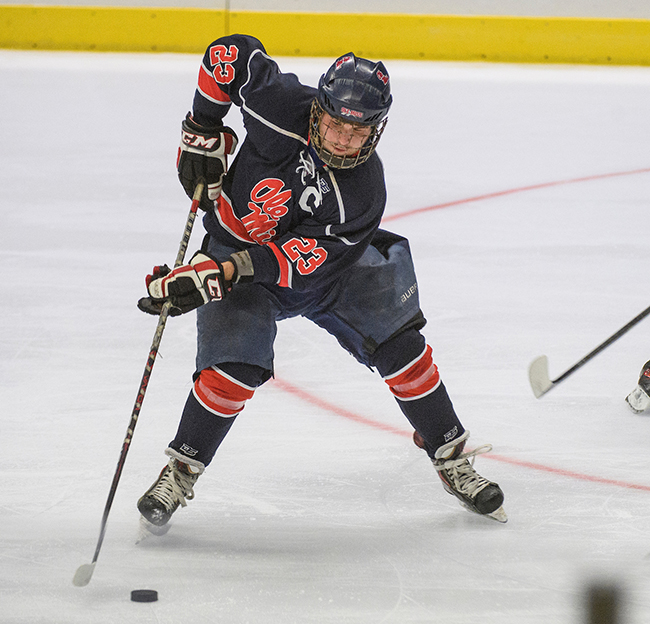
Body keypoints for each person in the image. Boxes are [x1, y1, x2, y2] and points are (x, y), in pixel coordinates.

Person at [136, 34, 507, 528]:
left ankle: (450, 454)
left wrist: (219, 275)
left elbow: (297, 262)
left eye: (357, 133)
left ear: (377, 129)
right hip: (236, 253)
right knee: (231, 371)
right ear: (320, 109)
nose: (341, 140)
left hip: (325, 274)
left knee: (404, 349)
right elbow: (229, 53)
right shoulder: (281, 106)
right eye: (334, 124)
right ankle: (181, 469)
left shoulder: (364, 192)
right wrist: (201, 125)